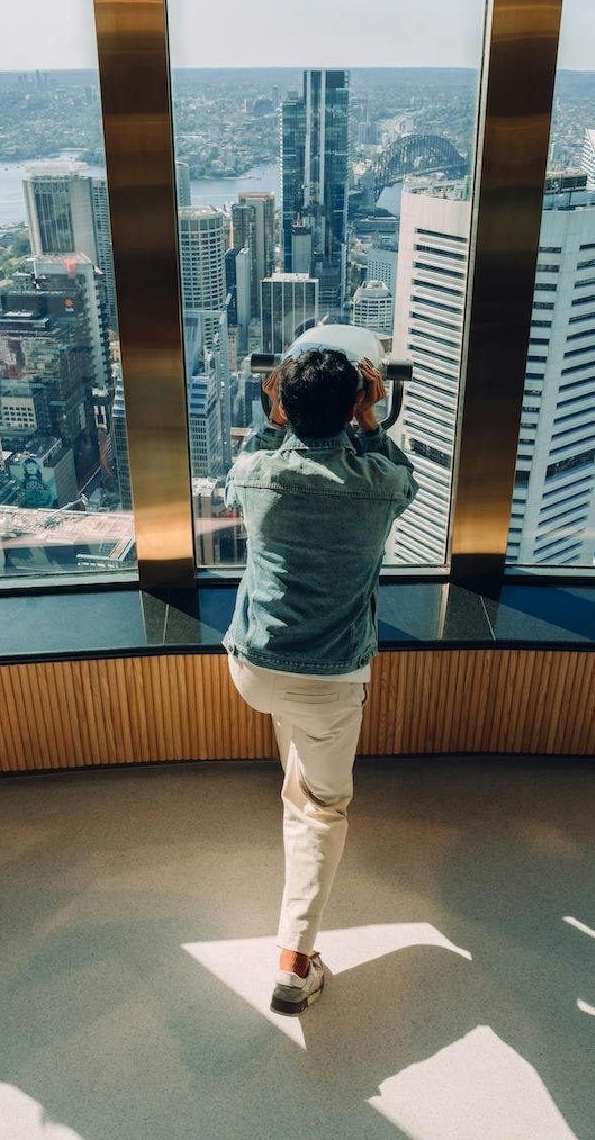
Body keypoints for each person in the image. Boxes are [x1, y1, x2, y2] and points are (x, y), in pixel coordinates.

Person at [224, 346, 416, 1015]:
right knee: (323, 809)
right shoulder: (379, 485)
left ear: (282, 402)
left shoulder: (256, 475)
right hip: (331, 678)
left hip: (254, 666)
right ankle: (295, 962)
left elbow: (250, 461)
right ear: (359, 403)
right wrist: (371, 418)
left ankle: (296, 787)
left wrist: (276, 416)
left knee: (298, 762)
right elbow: (404, 476)